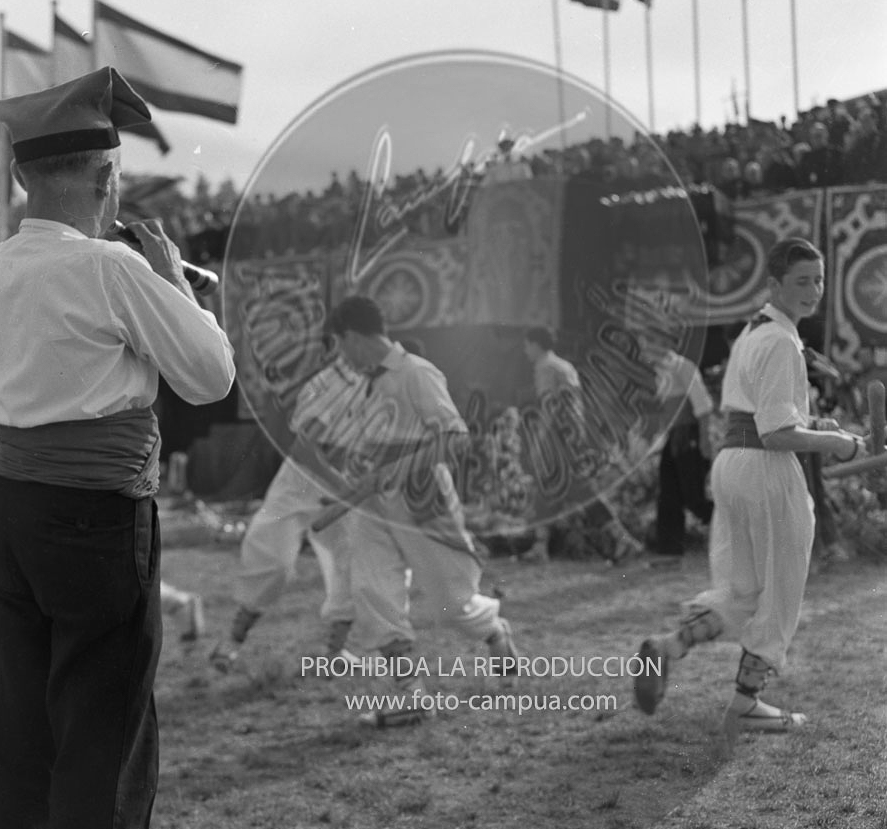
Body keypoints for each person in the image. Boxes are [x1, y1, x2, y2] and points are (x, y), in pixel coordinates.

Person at [0, 67, 236, 829]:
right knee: (104, 753)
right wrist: (171, 284)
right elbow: (210, 376)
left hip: (8, 514)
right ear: (108, 182)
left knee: (17, 745)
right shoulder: (112, 268)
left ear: (23, 179)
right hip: (97, 523)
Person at [633, 237, 866, 739]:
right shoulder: (782, 342)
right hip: (765, 468)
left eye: (819, 280)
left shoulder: (755, 331)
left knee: (743, 588)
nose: (813, 290)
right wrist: (841, 446)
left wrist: (826, 429)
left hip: (734, 465)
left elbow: (768, 414)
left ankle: (668, 647)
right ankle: (746, 702)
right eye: (802, 280)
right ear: (775, 284)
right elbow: (777, 432)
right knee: (780, 589)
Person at [324, 296, 519, 718]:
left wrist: (399, 468)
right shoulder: (365, 381)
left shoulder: (417, 373)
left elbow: (455, 438)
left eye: (339, 344)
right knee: (372, 590)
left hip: (421, 498)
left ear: (353, 337)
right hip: (373, 504)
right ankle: (411, 695)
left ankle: (494, 630)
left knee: (452, 604)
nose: (341, 355)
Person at [209, 338, 369, 673]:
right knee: (273, 564)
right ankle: (231, 643)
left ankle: (335, 654)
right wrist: (344, 486)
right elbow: (303, 452)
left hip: (341, 492)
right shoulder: (329, 384)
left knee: (353, 565)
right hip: (300, 485)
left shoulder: (377, 385)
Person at [522, 327, 644, 565]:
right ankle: (541, 545)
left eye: (526, 345)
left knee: (574, 489)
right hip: (573, 435)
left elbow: (550, 406)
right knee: (556, 489)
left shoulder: (545, 367)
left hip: (558, 437)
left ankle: (623, 540)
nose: (525, 350)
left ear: (535, 344)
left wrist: (539, 440)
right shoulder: (565, 366)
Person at [641, 339, 715, 566]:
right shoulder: (658, 372)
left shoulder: (682, 366)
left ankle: (734, 531)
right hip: (674, 437)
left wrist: (704, 440)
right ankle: (670, 552)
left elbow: (702, 406)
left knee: (694, 496)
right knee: (669, 495)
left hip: (689, 436)